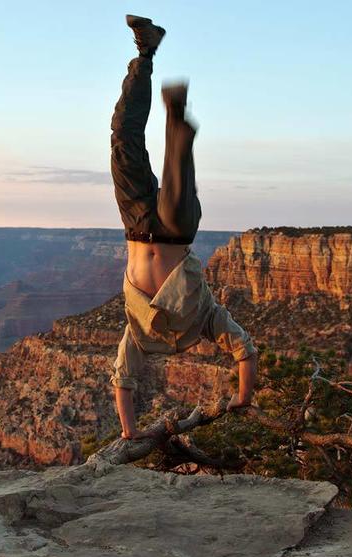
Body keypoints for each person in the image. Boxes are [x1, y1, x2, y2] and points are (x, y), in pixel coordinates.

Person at [109, 14, 258, 439]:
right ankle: (176, 118)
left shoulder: (137, 336)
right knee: (177, 170)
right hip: (176, 231)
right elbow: (245, 350)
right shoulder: (207, 319)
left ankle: (144, 54)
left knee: (123, 137)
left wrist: (129, 432)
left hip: (136, 224)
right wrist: (243, 397)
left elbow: (123, 380)